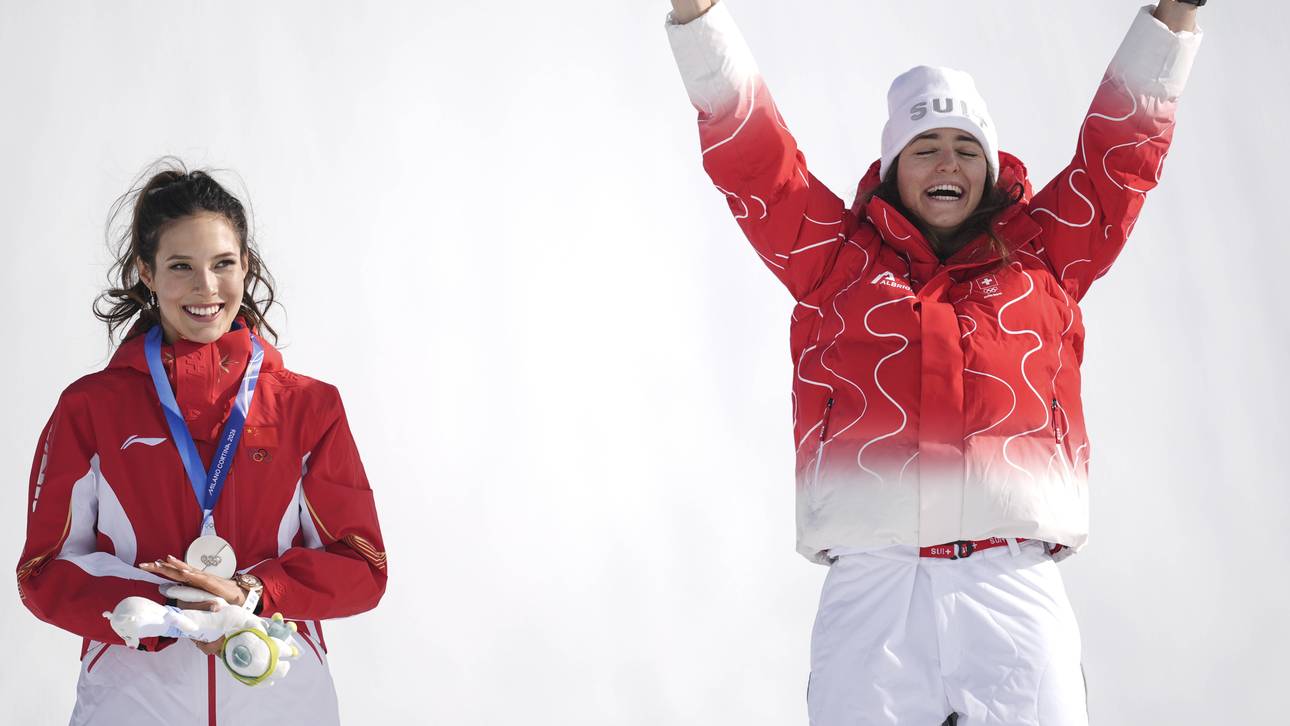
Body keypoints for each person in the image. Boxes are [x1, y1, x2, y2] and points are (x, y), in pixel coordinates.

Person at [665, 1, 1204, 723]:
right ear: (892, 169)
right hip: (874, 589)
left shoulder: (1046, 254)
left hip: (1011, 580)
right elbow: (758, 168)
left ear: (987, 168)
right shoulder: (835, 261)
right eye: (925, 147)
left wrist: (1172, 18)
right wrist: (697, 17)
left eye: (965, 146)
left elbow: (1118, 158)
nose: (947, 160)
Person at [16, 161, 387, 725]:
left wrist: (253, 593)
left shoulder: (309, 408)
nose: (206, 288)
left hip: (280, 699)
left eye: (223, 264)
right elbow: (44, 568)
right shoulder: (89, 409)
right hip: (131, 703)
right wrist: (164, 612)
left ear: (246, 266)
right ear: (147, 270)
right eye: (181, 266)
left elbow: (361, 565)